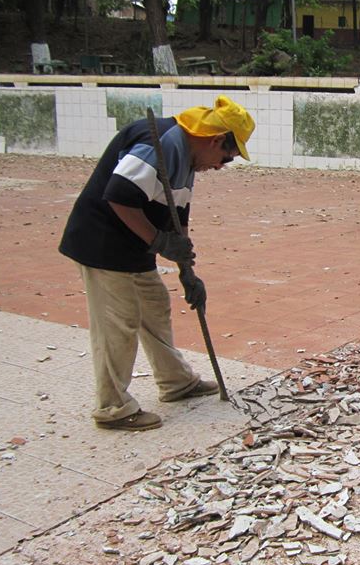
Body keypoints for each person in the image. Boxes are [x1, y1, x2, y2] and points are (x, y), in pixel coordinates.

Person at [59, 95, 255, 431]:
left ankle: (176, 382)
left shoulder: (187, 157)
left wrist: (187, 271)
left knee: (154, 307)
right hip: (103, 243)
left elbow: (178, 217)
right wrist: (157, 241)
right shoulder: (161, 143)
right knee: (119, 324)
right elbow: (119, 195)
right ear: (216, 139)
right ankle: (113, 408)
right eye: (226, 157)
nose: (221, 166)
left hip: (134, 247)